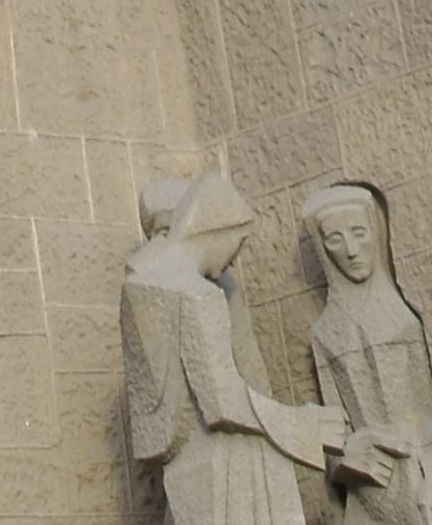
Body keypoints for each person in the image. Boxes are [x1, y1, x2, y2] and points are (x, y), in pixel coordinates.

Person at [125, 172, 341, 525]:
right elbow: (223, 402)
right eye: (237, 244)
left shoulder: (144, 283)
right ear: (216, 228)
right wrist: (301, 425)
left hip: (189, 466)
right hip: (228, 461)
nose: (231, 261)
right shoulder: (197, 293)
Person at [300, 182, 432, 525]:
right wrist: (343, 459)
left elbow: (430, 413)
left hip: (419, 482)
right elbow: (336, 434)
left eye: (359, 233)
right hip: (367, 495)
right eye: (335, 239)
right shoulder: (325, 334)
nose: (351, 251)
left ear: (376, 232)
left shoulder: (402, 319)